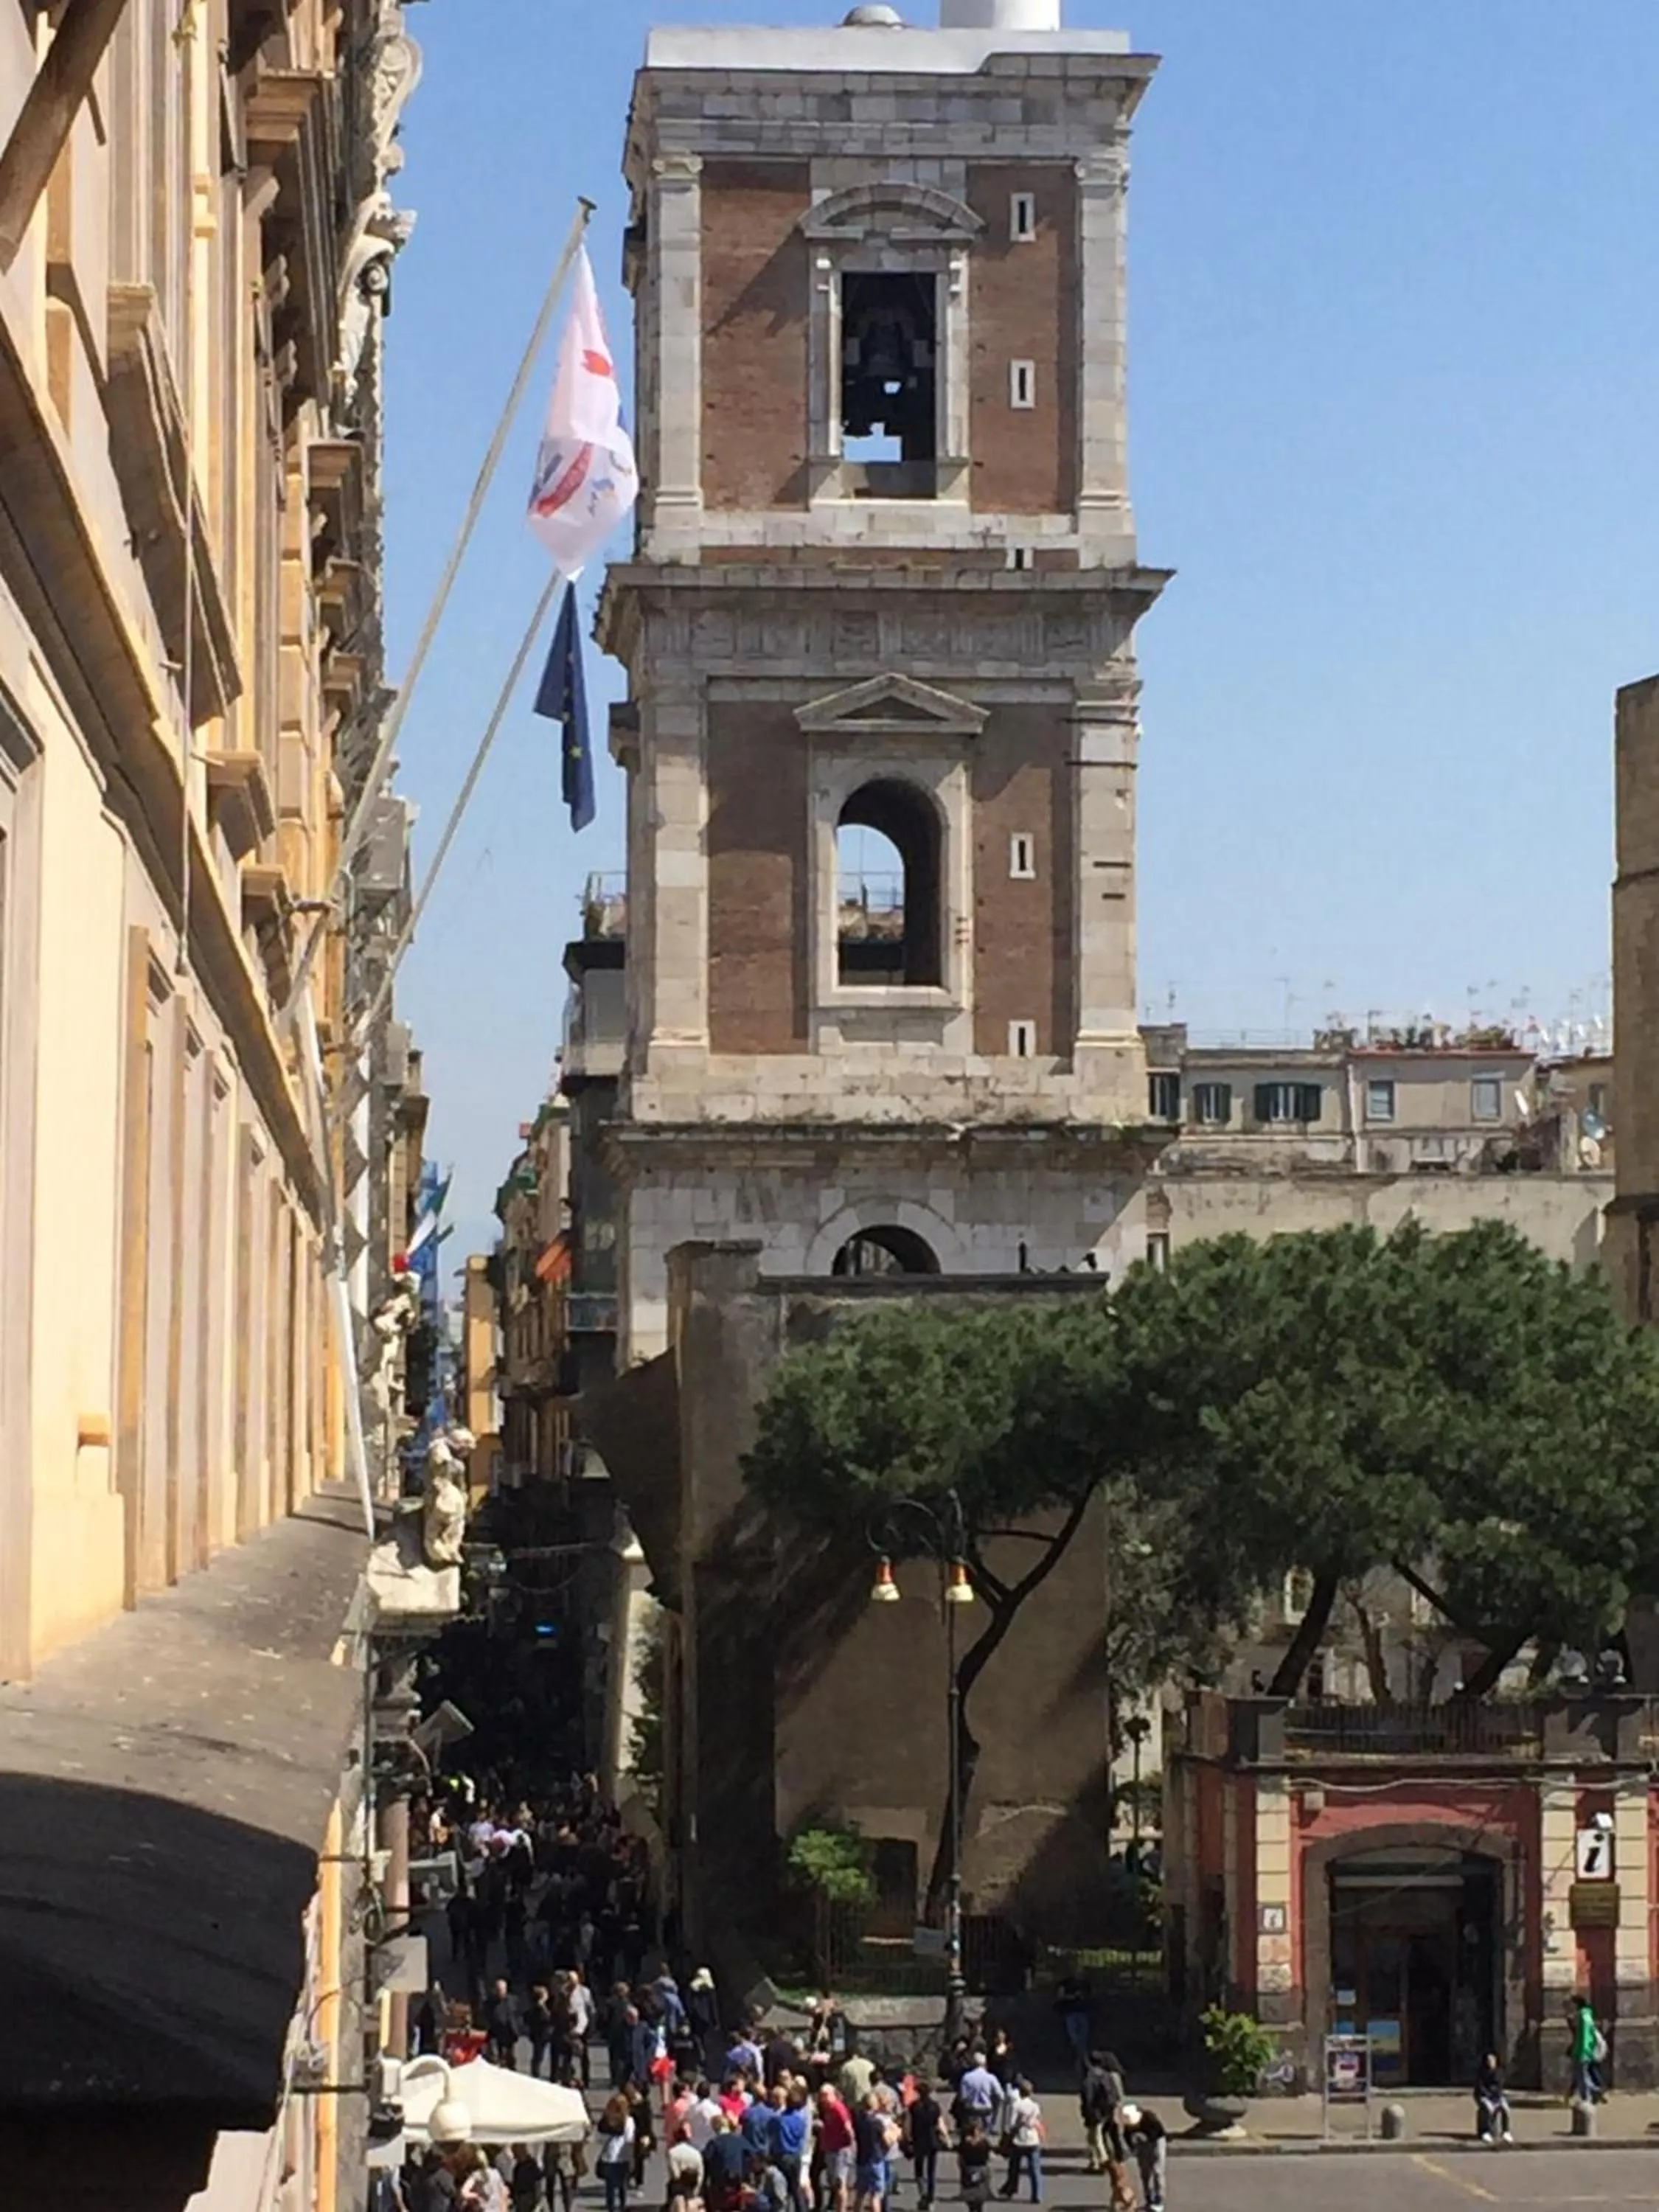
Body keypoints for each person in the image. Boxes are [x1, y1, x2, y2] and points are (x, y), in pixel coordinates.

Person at [995, 2079, 1043, 2205]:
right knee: (1035, 2169)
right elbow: (1037, 2121)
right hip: (1033, 2139)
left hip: (1019, 2139)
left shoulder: (1017, 2105)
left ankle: (1011, 2189)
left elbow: (1011, 2123)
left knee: (1014, 2167)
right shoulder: (1035, 2106)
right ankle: (1037, 2194)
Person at [905, 2077, 948, 2211]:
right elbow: (940, 2124)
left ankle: (922, 2193)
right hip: (932, 2140)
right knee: (931, 2171)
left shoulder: (913, 2106)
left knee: (919, 2170)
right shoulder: (935, 2106)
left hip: (919, 2140)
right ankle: (931, 2199)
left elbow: (908, 2124)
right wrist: (946, 2137)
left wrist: (908, 2138)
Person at [1079, 2051, 1125, 2176]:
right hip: (1105, 2111)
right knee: (1092, 2138)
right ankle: (1094, 2162)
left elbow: (1088, 2098)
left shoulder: (1090, 2077)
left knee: (1096, 2139)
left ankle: (1103, 2163)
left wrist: (1086, 2112)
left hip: (1095, 2112)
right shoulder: (1106, 2075)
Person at [818, 2079, 857, 2212]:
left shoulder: (838, 2108)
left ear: (833, 2094)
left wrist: (852, 2147)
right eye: (822, 2095)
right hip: (830, 2149)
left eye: (826, 2095)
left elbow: (848, 2127)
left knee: (840, 2183)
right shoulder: (827, 2109)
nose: (823, 2099)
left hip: (841, 2150)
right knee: (833, 2183)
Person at [1119, 2104, 1166, 2212]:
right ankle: (1149, 2197)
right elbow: (1128, 2138)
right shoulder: (1128, 2125)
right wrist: (1132, 2149)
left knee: (1157, 2171)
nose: (1133, 2128)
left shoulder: (1150, 2119)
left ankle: (1159, 2199)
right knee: (1145, 2173)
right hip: (1142, 2145)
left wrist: (1144, 2140)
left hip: (1156, 2142)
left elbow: (1158, 2134)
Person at [597, 2093, 638, 2212]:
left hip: (609, 2157)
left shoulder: (606, 2121)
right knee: (622, 2186)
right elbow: (630, 2140)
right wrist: (632, 2158)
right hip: (623, 2157)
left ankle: (611, 2209)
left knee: (610, 2188)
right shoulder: (629, 2121)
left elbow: (599, 2138)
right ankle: (622, 2207)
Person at [1569, 1994, 1606, 2104]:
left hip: (1583, 2051)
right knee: (1583, 2074)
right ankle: (1593, 2093)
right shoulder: (1585, 2015)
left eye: (1572, 2003)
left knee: (1582, 2076)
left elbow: (1585, 2035)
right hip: (1583, 2050)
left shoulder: (1583, 2016)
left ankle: (1589, 2095)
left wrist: (1584, 2051)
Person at [1475, 2052, 1512, 2145]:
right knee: (1488, 2109)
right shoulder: (1482, 2072)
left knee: (1506, 2109)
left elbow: (1500, 2086)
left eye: (1492, 2060)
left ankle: (1506, 2132)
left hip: (1497, 2096)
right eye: (1489, 2061)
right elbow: (1480, 2087)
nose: (1491, 2062)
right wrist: (1487, 2095)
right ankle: (1485, 2132)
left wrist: (1497, 2096)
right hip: (1483, 2096)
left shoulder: (1500, 2072)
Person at [484, 1979, 521, 2070]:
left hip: (509, 2032)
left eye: (501, 1990)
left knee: (510, 2055)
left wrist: (517, 2027)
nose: (499, 1992)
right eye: (498, 1990)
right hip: (495, 2032)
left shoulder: (513, 2000)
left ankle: (511, 2068)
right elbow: (486, 2016)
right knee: (496, 2056)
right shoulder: (489, 2003)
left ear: (506, 1990)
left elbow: (518, 2014)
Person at [956, 2119, 992, 2212]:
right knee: (980, 2196)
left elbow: (960, 2159)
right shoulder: (984, 2143)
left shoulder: (964, 2144)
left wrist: (962, 2169)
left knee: (970, 2195)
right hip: (982, 2169)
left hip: (969, 2169)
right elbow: (989, 2157)